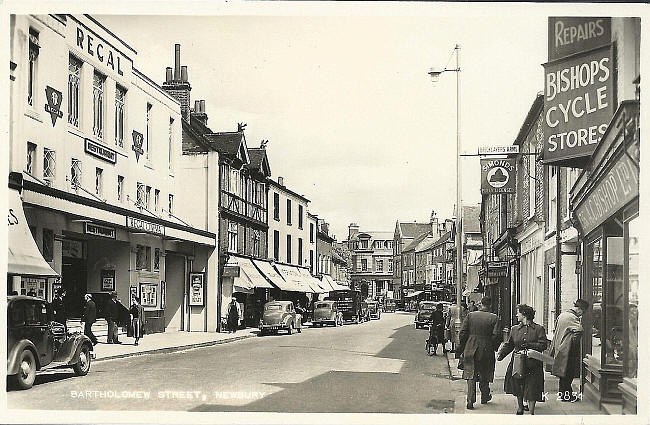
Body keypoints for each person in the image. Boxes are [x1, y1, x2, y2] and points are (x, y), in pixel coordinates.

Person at [497, 304, 548, 415]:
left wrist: (530, 345)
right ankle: (520, 408)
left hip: (533, 363)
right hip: (518, 362)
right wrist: (501, 355)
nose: (516, 315)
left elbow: (543, 345)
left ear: (524, 315)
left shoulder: (539, 329)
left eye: (518, 313)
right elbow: (510, 344)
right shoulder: (514, 329)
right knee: (518, 385)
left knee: (533, 386)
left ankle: (531, 412)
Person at [458, 296, 500, 410]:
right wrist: (492, 346)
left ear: (481, 304)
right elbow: (496, 335)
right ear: (490, 305)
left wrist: (463, 347)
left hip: (470, 347)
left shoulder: (471, 316)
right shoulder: (494, 318)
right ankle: (485, 396)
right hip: (486, 348)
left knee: (470, 373)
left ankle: (470, 400)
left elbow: (462, 333)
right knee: (485, 373)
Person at [549, 299, 590, 402]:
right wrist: (575, 344)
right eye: (583, 312)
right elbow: (579, 330)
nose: (582, 315)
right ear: (580, 309)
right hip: (567, 349)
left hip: (559, 347)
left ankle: (563, 394)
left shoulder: (562, 315)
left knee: (563, 373)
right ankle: (567, 395)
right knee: (569, 373)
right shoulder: (572, 317)